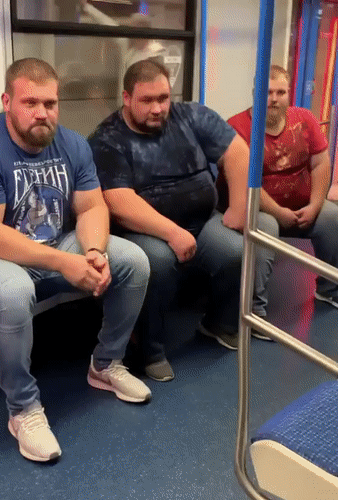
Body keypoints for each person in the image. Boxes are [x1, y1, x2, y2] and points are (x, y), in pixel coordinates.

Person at [0, 58, 152, 463]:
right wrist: (63, 263)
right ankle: (23, 409)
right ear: (7, 102)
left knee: (133, 260)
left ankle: (105, 364)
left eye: (50, 103)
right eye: (30, 103)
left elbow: (92, 207)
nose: (42, 113)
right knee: (12, 293)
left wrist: (93, 251)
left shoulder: (73, 144)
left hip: (55, 242)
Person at [88, 59, 273, 383]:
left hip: (202, 219)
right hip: (144, 230)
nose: (158, 108)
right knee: (156, 261)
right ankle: (150, 351)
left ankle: (219, 324)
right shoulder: (108, 138)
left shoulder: (192, 116)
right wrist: (172, 232)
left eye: (163, 98)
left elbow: (238, 151)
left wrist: (238, 207)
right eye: (147, 100)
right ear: (127, 98)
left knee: (236, 248)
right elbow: (118, 201)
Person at [218, 64, 338, 318]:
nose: (273, 99)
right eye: (267, 92)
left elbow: (320, 163)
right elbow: (246, 181)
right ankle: (254, 309)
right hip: (256, 207)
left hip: (301, 205)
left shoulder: (304, 119)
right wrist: (279, 212)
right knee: (265, 227)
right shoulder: (237, 127)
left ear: (289, 93)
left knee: (331, 216)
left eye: (280, 92)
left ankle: (330, 289)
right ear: (255, 93)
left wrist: (315, 205)